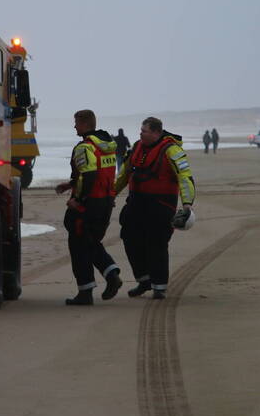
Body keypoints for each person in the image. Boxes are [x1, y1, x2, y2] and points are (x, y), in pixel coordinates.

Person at [115, 116, 195, 300]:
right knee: (129, 238)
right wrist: (110, 194)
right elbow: (124, 174)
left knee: (156, 244)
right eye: (141, 130)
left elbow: (185, 176)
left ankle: (160, 286)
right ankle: (144, 281)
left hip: (161, 204)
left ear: (156, 133)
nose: (140, 133)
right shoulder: (136, 147)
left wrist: (187, 203)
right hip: (136, 203)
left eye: (144, 131)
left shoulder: (172, 150)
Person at [55, 110, 123, 305]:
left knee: (79, 244)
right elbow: (98, 173)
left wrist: (78, 199)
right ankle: (109, 276)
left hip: (89, 203)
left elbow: (91, 175)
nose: (74, 126)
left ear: (85, 124)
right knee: (90, 241)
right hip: (106, 202)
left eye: (76, 122)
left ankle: (88, 290)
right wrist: (70, 184)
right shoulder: (107, 146)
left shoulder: (85, 147)